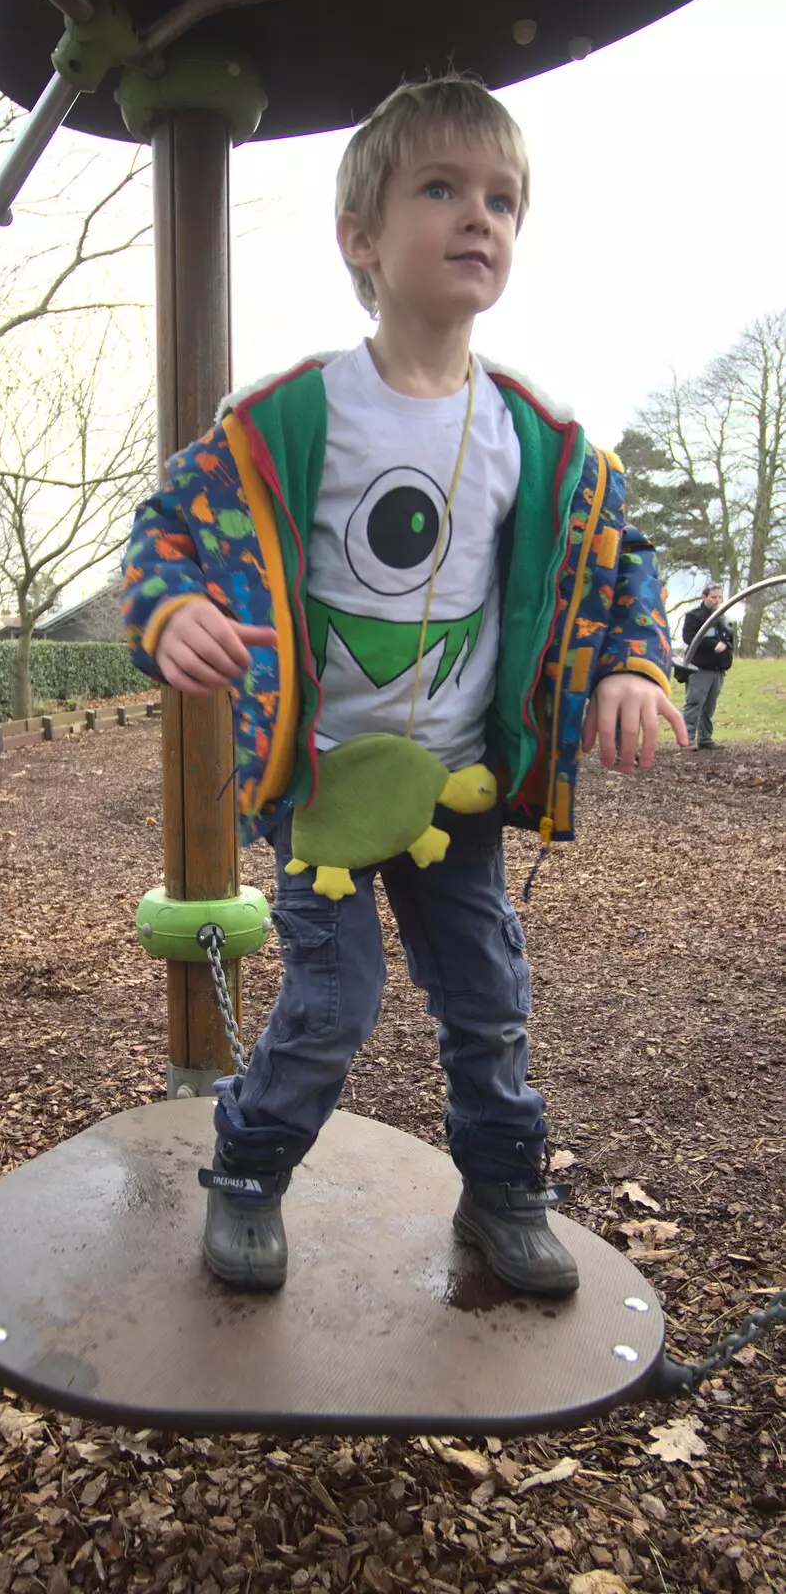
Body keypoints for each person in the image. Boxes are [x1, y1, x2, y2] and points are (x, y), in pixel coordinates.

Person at [122, 75, 686, 1299]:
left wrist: (631, 662)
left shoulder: (531, 434)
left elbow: (611, 559)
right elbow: (168, 525)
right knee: (334, 999)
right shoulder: (293, 414)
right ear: (361, 238)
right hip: (318, 785)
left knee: (486, 996)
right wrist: (171, 610)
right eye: (440, 189)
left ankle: (500, 1192)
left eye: (501, 200)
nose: (477, 217)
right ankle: (248, 1172)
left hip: (455, 789)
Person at [681, 582, 733, 748]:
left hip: (718, 669)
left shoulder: (724, 617)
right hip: (700, 668)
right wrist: (712, 644)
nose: (717, 600)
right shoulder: (694, 616)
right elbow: (689, 637)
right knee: (694, 703)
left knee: (709, 707)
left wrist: (726, 645)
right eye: (713, 597)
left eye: (719, 597)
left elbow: (730, 638)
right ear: (704, 597)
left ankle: (705, 739)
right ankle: (686, 739)